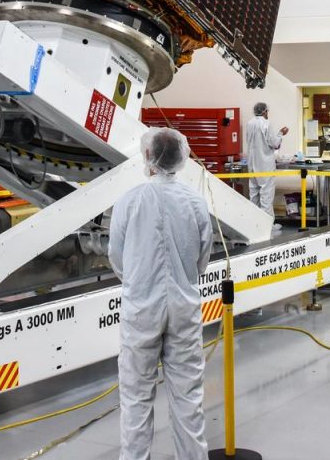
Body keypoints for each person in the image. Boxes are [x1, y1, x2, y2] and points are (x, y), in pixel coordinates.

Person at [109, 128, 214, 460]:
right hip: (184, 307)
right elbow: (202, 258)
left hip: (141, 309)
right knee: (188, 397)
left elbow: (117, 255)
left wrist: (140, 282)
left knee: (136, 398)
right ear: (181, 159)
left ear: (148, 156)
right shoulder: (196, 203)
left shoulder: (129, 201)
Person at [244, 102, 288, 213]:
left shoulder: (249, 123)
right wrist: (281, 133)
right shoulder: (266, 124)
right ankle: (268, 228)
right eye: (267, 111)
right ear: (264, 111)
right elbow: (274, 143)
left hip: (252, 165)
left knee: (254, 195)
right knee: (266, 197)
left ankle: (255, 224)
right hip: (264, 166)